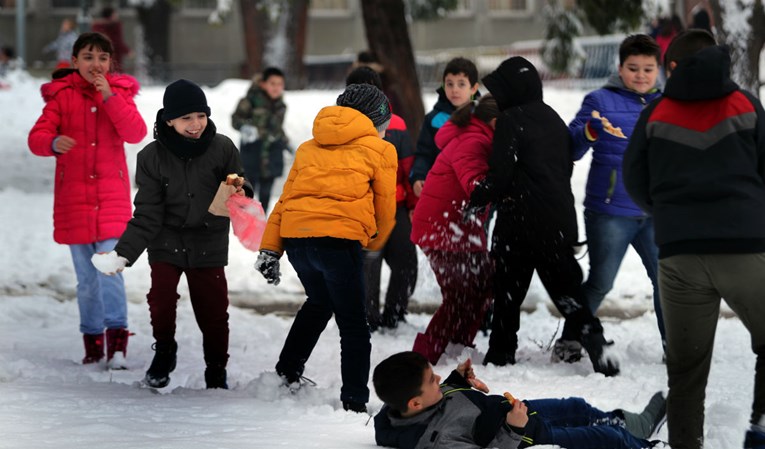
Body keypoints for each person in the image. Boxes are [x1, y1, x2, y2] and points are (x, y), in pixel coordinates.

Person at [623, 29, 765, 449]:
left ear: (672, 67)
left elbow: (634, 180)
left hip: (679, 256)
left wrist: (668, 213)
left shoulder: (656, 113)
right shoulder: (746, 104)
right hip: (744, 249)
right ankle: (759, 432)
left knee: (685, 373)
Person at [92, 79, 253, 390]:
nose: (196, 125)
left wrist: (241, 190)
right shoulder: (151, 157)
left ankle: (216, 369)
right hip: (166, 238)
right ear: (169, 120)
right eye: (186, 118)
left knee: (214, 309)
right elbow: (148, 212)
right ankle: (165, 351)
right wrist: (123, 253)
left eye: (201, 116)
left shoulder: (222, 147)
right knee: (161, 299)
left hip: (208, 239)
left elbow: (240, 186)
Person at [468, 57, 619, 377]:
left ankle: (501, 351)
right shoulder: (553, 119)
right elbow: (563, 168)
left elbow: (502, 173)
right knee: (567, 290)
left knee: (508, 289)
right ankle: (595, 340)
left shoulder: (510, 120)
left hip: (520, 221)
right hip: (557, 220)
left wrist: (477, 197)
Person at [254, 83, 397, 413]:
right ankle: (355, 401)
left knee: (319, 303)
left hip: (298, 241)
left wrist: (271, 249)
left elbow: (285, 201)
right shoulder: (380, 150)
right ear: (376, 120)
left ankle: (286, 372)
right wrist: (372, 245)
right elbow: (385, 209)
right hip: (338, 242)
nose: (386, 131)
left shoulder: (307, 148)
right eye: (385, 124)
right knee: (353, 323)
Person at [27, 32, 147, 369]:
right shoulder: (61, 97)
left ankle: (118, 344)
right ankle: (93, 343)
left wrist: (109, 96)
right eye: (88, 57)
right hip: (74, 202)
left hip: (111, 200)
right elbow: (36, 137)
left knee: (110, 273)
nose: (96, 64)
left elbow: (135, 133)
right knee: (86, 281)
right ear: (75, 61)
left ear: (111, 63)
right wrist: (51, 142)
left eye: (102, 58)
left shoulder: (120, 93)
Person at [568, 34, 666, 353]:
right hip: (610, 212)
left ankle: (674, 347)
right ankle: (570, 341)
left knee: (667, 283)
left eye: (648, 69)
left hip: (654, 212)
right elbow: (570, 148)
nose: (641, 75)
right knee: (600, 283)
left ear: (658, 69)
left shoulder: (666, 104)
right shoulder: (599, 101)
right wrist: (589, 131)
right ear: (620, 67)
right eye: (633, 68)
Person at [373, 351, 667, 449]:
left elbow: (439, 401)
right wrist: (514, 429)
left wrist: (457, 380)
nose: (438, 379)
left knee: (575, 406)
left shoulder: (405, 405)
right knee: (607, 438)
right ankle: (638, 442)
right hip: (525, 433)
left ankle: (632, 425)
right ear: (415, 403)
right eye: (432, 380)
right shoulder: (439, 439)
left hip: (513, 411)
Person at [409, 94, 499, 365]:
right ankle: (423, 359)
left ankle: (456, 348)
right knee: (458, 296)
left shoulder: (478, 136)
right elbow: (476, 185)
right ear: (495, 122)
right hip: (443, 230)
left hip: (456, 227)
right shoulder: (475, 141)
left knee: (481, 287)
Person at [346, 66, 418, 331]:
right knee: (367, 265)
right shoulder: (341, 128)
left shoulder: (396, 124)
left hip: (396, 204)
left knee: (406, 261)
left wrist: (413, 204)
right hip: (360, 207)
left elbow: (409, 167)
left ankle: (395, 313)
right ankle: (368, 317)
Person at [410, 57, 479, 198]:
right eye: (449, 84)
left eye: (461, 84)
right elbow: (424, 154)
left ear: (473, 88)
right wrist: (418, 176)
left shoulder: (482, 118)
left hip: (474, 189)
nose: (454, 90)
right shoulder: (433, 119)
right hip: (442, 189)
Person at [231, 67, 290, 211]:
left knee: (266, 193)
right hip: (253, 153)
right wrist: (247, 128)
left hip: (272, 153)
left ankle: (263, 221)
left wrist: (287, 143)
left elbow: (277, 128)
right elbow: (235, 120)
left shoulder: (281, 105)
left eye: (280, 84)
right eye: (272, 83)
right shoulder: (249, 101)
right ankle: (245, 223)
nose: (276, 88)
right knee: (247, 192)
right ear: (263, 84)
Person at [91, 7, 131, 72]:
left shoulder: (97, 26)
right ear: (111, 15)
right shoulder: (115, 26)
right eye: (115, 14)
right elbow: (118, 41)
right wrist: (127, 51)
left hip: (100, 56)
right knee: (116, 76)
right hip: (114, 56)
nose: (117, 16)